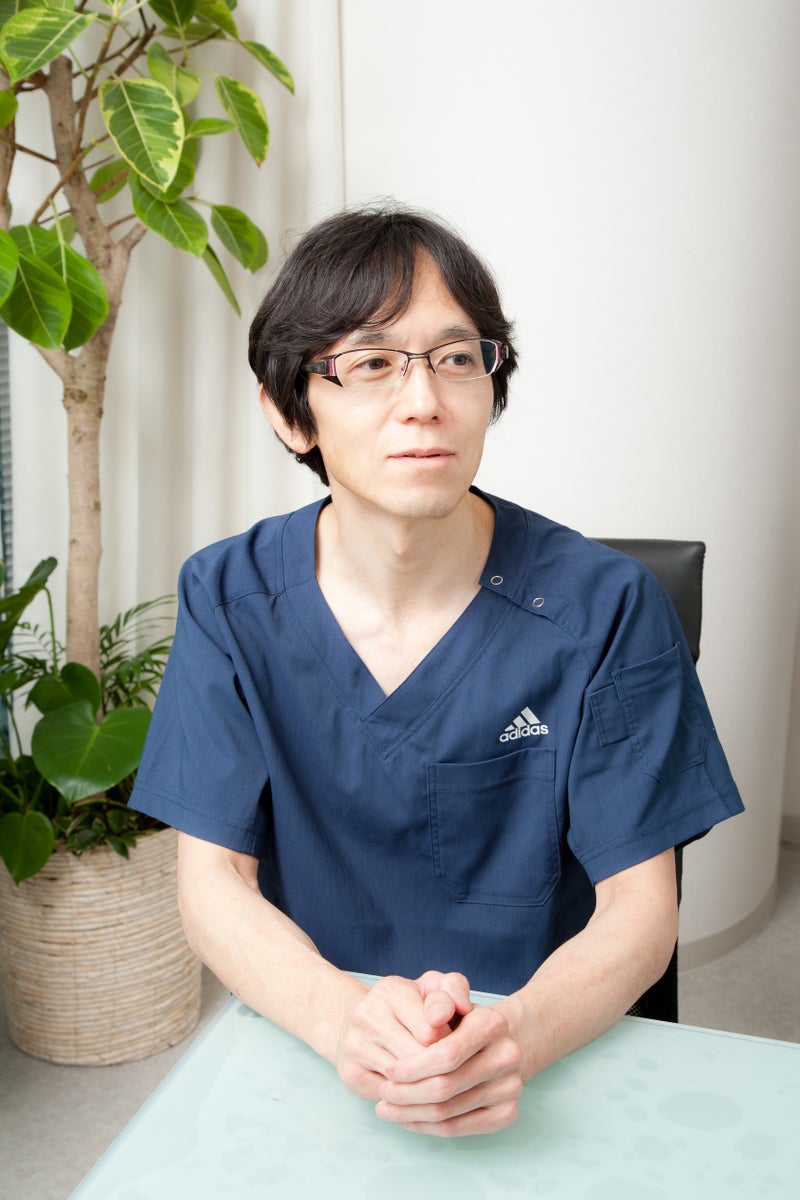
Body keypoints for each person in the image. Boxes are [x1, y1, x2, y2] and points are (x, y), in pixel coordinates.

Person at [130, 205, 743, 1138]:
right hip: (319, 1039)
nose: (424, 399)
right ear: (291, 414)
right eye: (372, 363)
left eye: (457, 358)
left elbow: (640, 905)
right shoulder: (229, 597)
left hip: (546, 1047)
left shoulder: (606, 607)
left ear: (491, 388)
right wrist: (343, 1022)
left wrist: (512, 1038)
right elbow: (212, 881)